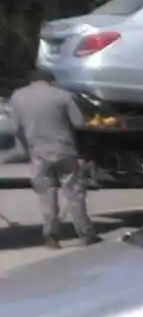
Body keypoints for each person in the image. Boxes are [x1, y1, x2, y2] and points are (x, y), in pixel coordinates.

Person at [8, 67, 97, 248]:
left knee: (46, 195)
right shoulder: (63, 95)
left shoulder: (17, 97)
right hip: (65, 150)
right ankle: (85, 233)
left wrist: (25, 150)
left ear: (31, 81)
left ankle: (51, 236)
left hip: (38, 153)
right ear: (51, 81)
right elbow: (79, 123)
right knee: (74, 194)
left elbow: (15, 127)